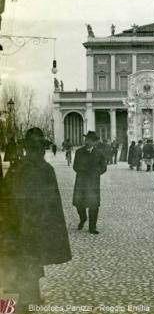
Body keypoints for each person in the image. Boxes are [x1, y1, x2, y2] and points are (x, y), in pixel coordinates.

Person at [0, 128, 72, 313]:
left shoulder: (17, 169)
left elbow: (5, 199)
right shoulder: (46, 170)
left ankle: (18, 304)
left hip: (16, 229)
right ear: (40, 150)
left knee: (20, 267)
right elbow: (53, 206)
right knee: (30, 267)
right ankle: (25, 304)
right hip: (35, 230)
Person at [72, 131, 107, 234]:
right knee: (79, 204)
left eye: (90, 140)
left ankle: (92, 227)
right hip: (81, 182)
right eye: (86, 140)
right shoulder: (79, 152)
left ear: (95, 142)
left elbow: (104, 167)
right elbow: (75, 166)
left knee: (94, 205)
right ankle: (83, 218)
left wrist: (96, 173)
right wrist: (82, 172)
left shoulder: (99, 154)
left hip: (93, 183)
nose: (87, 142)